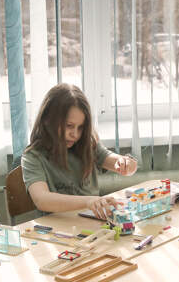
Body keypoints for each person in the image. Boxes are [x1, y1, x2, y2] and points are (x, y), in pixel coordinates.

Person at [22, 83, 137, 218]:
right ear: (48, 120)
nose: (75, 134)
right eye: (69, 126)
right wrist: (89, 201)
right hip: (58, 227)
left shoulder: (87, 145)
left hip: (91, 224)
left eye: (81, 127)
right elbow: (42, 200)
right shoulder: (33, 157)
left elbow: (118, 161)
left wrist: (126, 163)